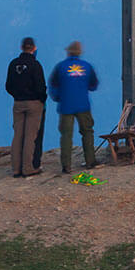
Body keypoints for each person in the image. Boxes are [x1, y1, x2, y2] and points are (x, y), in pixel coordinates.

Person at [49, 40, 100, 173]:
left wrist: (58, 97)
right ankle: (90, 161)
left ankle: (66, 166)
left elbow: (53, 85)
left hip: (65, 106)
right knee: (87, 132)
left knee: (66, 135)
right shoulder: (87, 67)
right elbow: (94, 85)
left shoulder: (60, 67)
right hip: (83, 105)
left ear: (68, 52)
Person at [4, 37, 46, 177]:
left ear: (21, 47)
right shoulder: (35, 65)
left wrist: (17, 95)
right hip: (34, 103)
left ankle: (15, 169)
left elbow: (8, 86)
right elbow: (40, 86)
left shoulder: (13, 64)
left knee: (17, 135)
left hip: (18, 103)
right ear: (33, 48)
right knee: (30, 136)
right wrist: (41, 99)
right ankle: (28, 168)